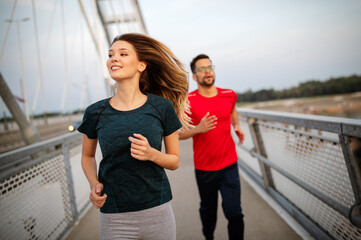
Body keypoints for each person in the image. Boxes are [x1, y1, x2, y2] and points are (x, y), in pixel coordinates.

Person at [78, 33, 190, 240]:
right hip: (114, 215)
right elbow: (87, 156)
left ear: (141, 66)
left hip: (157, 212)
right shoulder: (95, 112)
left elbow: (174, 161)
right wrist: (94, 183)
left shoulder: (161, 107)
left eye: (122, 53)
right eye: (110, 55)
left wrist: (151, 154)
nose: (114, 58)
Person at [179, 54, 245, 240]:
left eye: (210, 67)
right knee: (209, 212)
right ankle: (208, 235)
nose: (207, 71)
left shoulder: (229, 94)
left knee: (235, 212)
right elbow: (177, 134)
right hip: (205, 168)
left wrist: (236, 126)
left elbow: (232, 109)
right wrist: (198, 129)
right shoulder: (188, 101)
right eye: (202, 68)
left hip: (229, 164)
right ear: (194, 76)